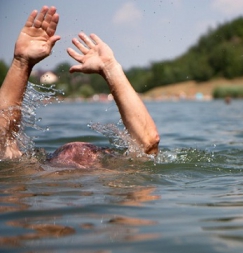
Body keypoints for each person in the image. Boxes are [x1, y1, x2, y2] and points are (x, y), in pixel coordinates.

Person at [0, 6, 160, 168]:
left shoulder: (32, 174)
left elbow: (148, 144)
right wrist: (21, 62)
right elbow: (147, 145)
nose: (78, 150)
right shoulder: (116, 178)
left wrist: (22, 63)